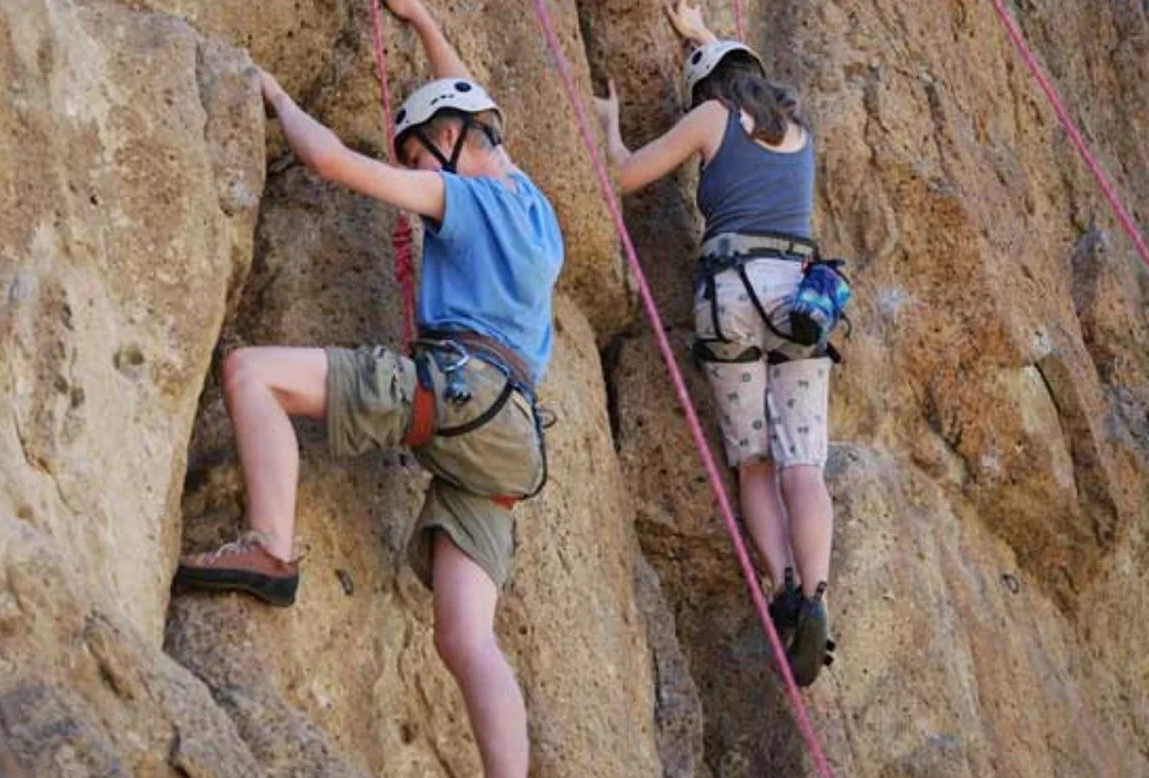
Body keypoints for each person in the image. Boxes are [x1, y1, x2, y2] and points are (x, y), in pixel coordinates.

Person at [173, 0, 564, 772]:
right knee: (464, 636)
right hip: (510, 443)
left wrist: (279, 98)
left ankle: (271, 549)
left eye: (420, 154)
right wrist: (422, 24)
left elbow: (334, 165)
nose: (416, 168)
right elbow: (466, 97)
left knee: (251, 373)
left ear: (451, 143)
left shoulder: (467, 196)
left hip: (455, 395)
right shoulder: (537, 211)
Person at [594, 0, 835, 686]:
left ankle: (783, 584)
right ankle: (816, 594)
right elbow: (740, 69)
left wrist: (612, 127)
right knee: (804, 464)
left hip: (732, 289)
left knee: (754, 460)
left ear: (709, 90)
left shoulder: (710, 117)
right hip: (803, 296)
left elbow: (628, 174)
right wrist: (703, 34)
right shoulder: (798, 132)